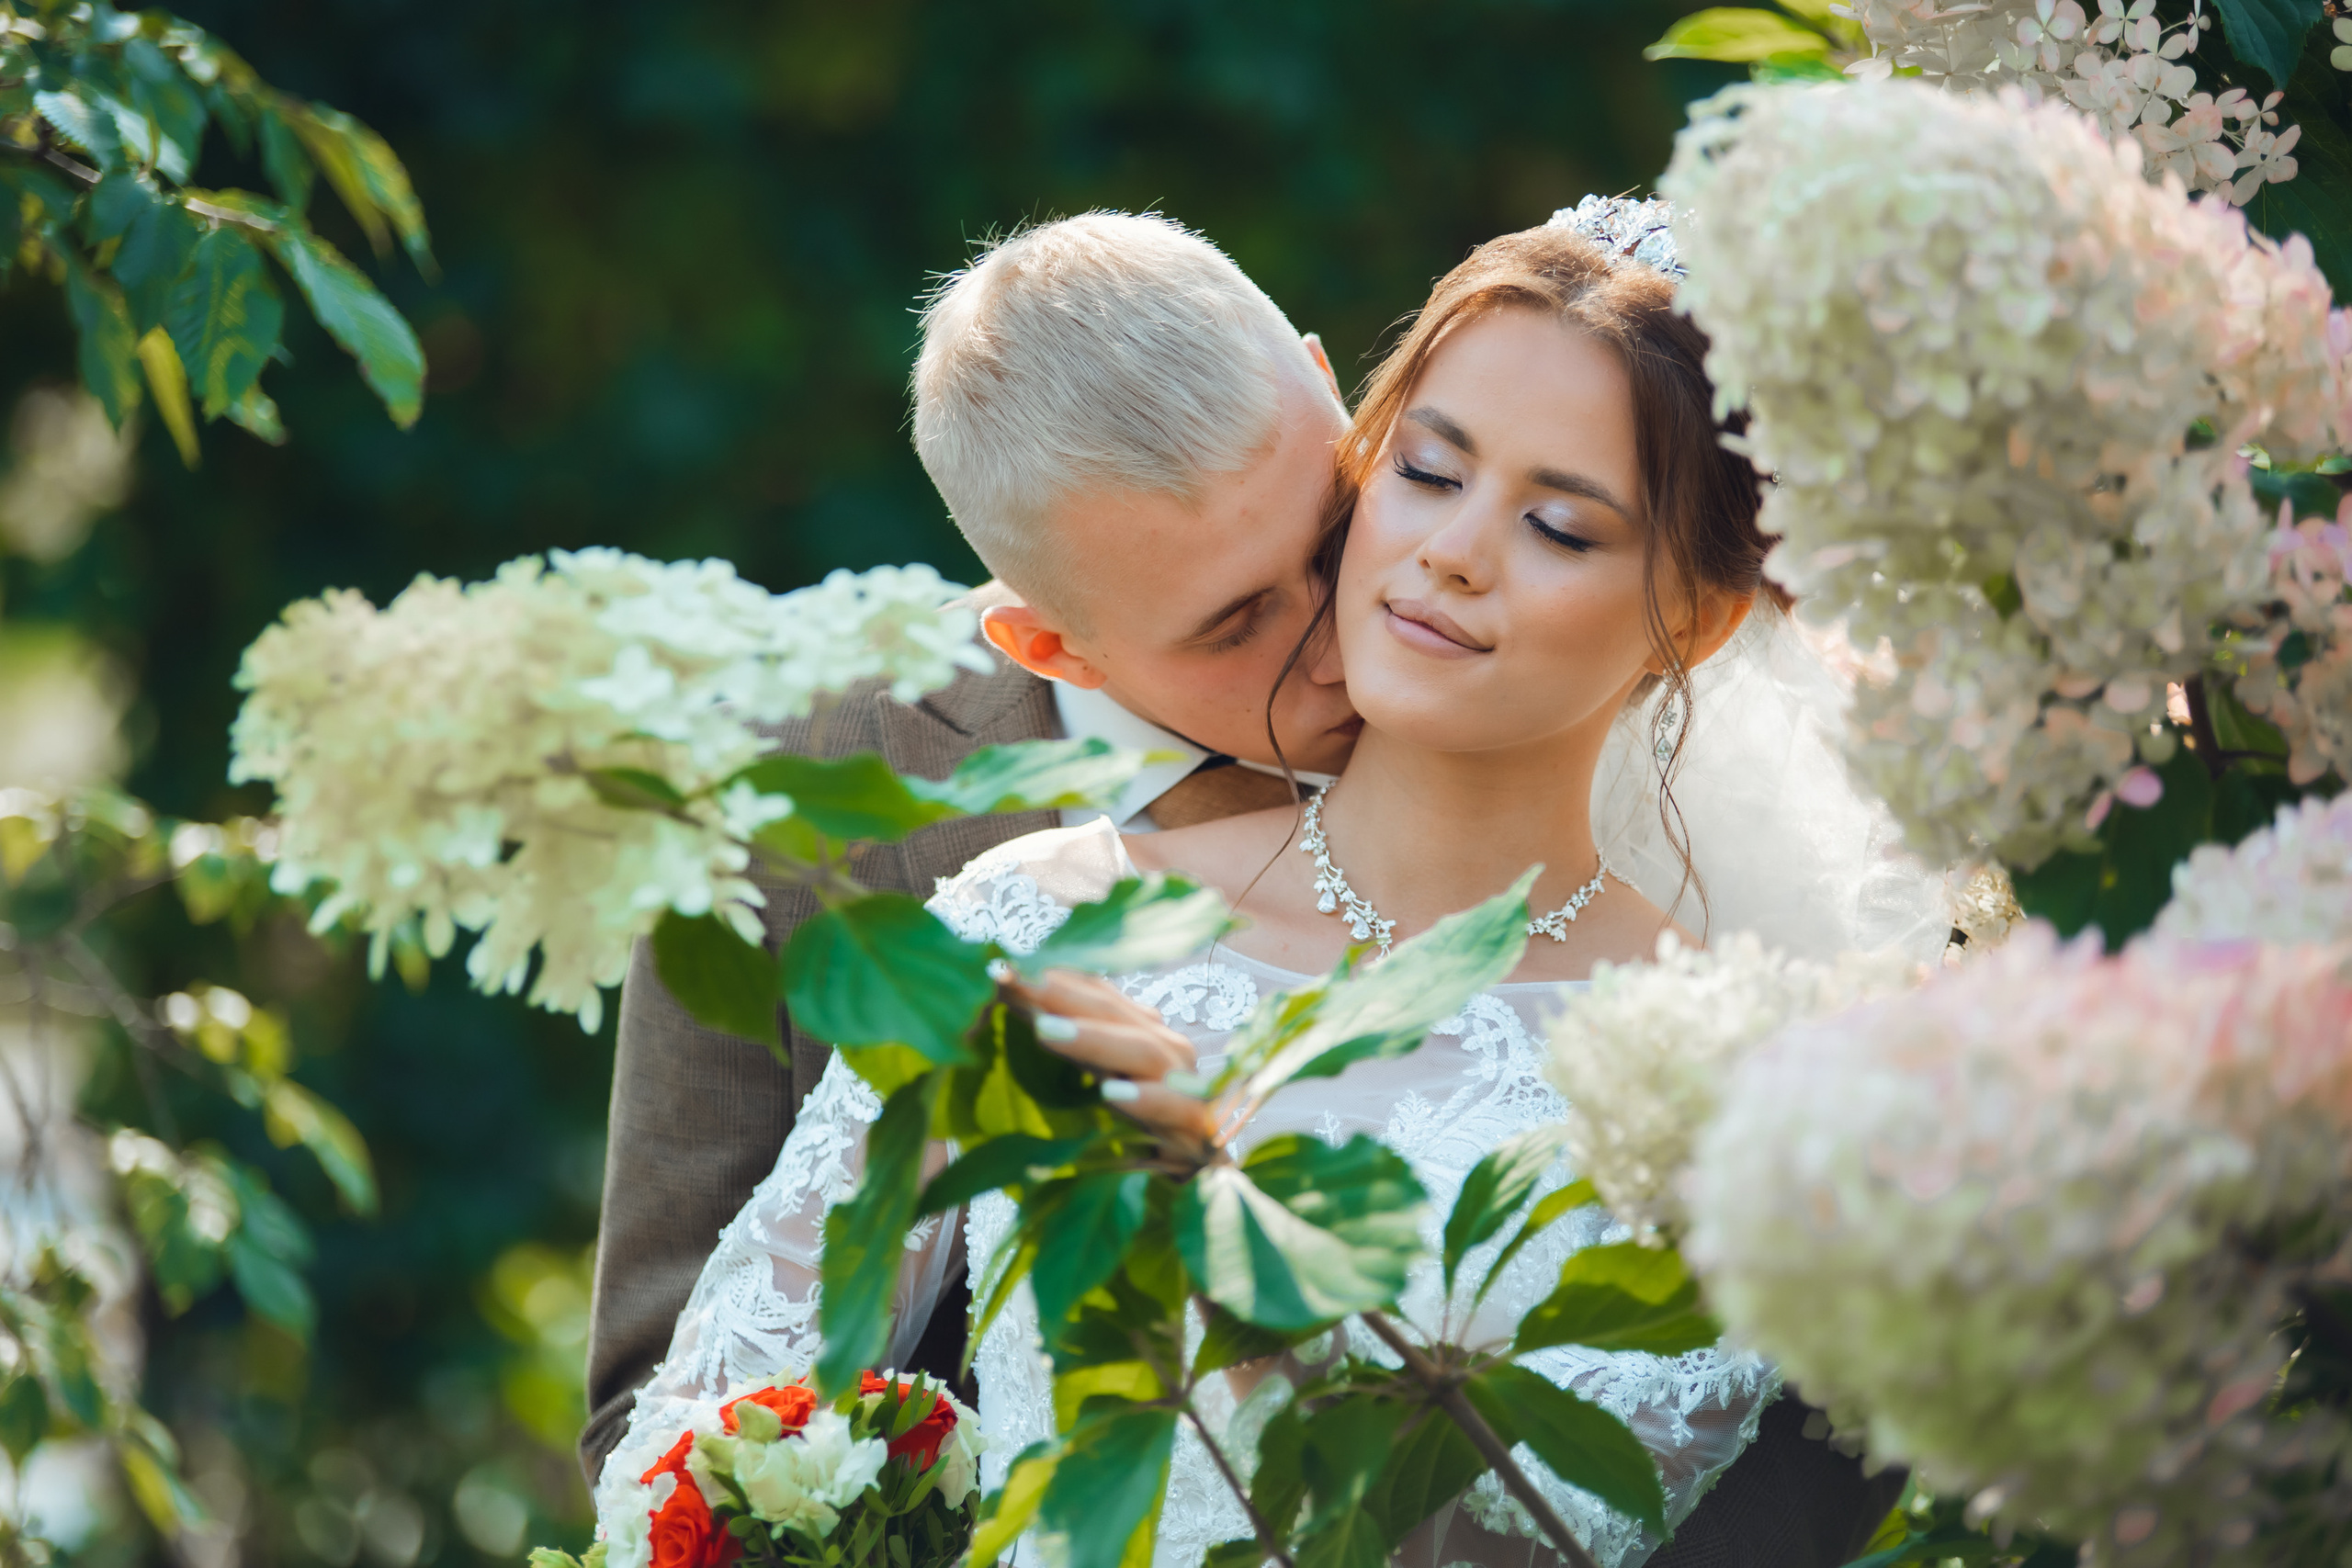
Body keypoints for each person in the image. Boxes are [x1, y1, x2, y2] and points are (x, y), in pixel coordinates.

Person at [598, 207, 1945, 1567]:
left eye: (1556, 523)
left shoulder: (1739, 1089)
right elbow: (680, 1472)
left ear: (1699, 618)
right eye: (1426, 472)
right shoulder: (1031, 922)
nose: (1452, 550)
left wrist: (1245, 1308)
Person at [582, 212, 1363, 1482]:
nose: (1344, 638)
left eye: (1334, 533)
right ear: (1047, 645)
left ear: (1329, 390)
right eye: (1234, 627)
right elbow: (656, 1441)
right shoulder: (782, 802)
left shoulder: (1513, 641)